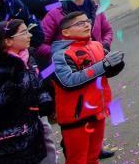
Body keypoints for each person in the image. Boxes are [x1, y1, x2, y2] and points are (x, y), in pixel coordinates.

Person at [0, 20, 54, 164]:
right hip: (5, 144)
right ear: (7, 41)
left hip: (32, 136)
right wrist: (12, 85)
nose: (30, 35)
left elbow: (37, 83)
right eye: (24, 32)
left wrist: (44, 99)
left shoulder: (26, 57)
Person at [51, 12, 124, 164]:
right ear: (66, 32)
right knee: (78, 159)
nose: (86, 25)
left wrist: (116, 65)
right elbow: (68, 82)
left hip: (98, 111)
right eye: (79, 23)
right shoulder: (60, 55)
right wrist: (103, 65)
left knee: (93, 156)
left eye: (87, 21)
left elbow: (105, 73)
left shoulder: (96, 45)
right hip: (77, 117)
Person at [39, 0, 114, 59]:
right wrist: (63, 53)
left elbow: (107, 31)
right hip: (70, 65)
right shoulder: (55, 13)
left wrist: (105, 44)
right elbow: (40, 44)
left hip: (97, 58)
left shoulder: (96, 8)